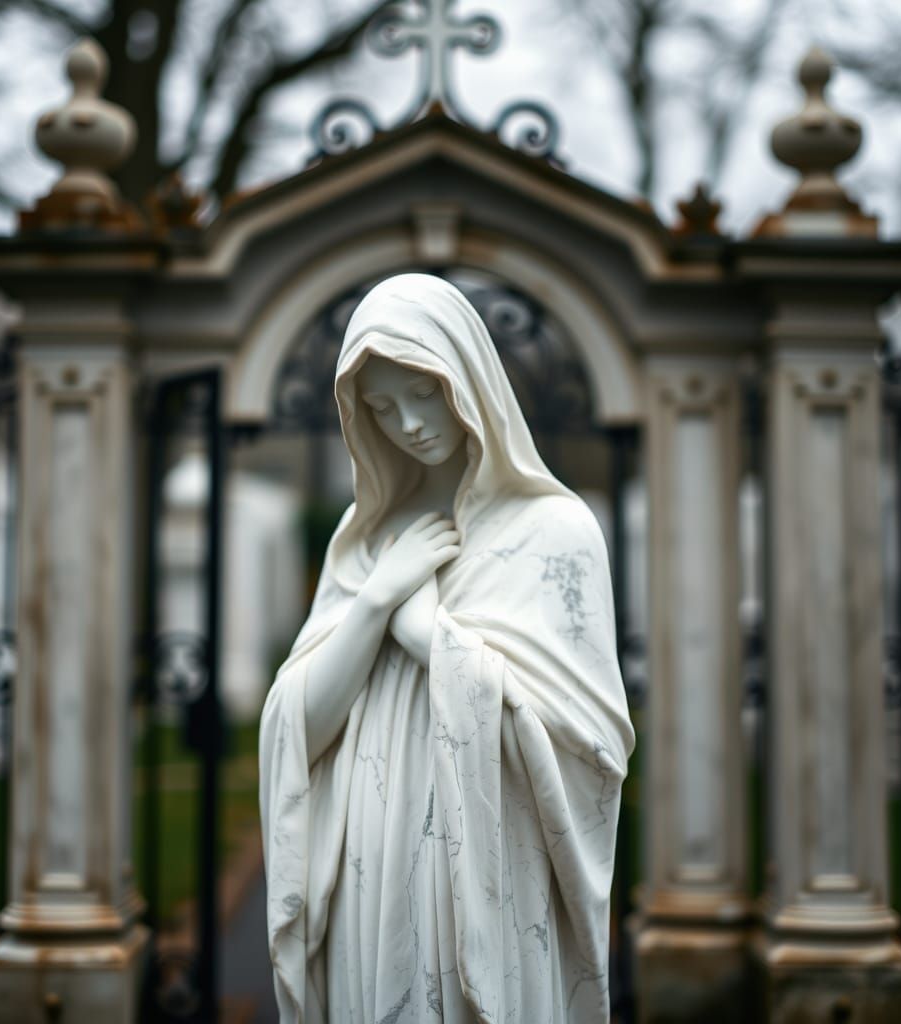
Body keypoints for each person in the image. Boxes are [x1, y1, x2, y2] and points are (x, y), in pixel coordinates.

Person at [259, 272, 635, 1023]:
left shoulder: (555, 533)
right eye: (382, 408)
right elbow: (299, 726)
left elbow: (589, 747)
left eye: (422, 393)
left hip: (495, 873)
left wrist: (430, 637)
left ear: (465, 370)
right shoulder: (366, 537)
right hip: (373, 875)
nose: (408, 424)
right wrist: (372, 606)